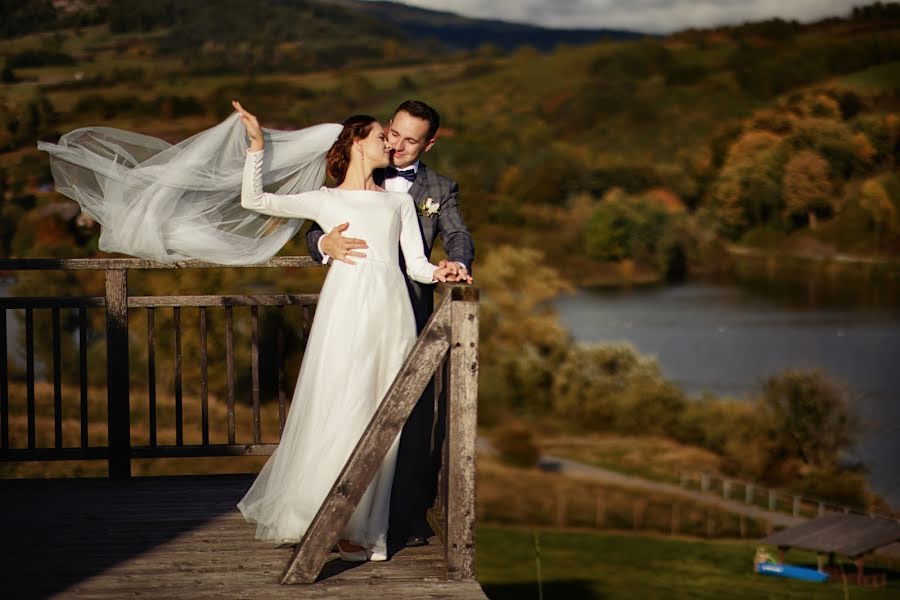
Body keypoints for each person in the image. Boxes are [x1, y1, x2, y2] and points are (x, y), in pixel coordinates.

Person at [231, 100, 454, 562]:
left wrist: (445, 271)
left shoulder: (399, 203)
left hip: (392, 313)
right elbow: (254, 201)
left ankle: (359, 523)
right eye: (381, 136)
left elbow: (416, 265)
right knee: (340, 402)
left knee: (380, 414)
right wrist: (256, 146)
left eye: (394, 139)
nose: (389, 143)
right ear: (357, 143)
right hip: (346, 308)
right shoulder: (325, 199)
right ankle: (320, 513)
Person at [306, 100, 475, 549]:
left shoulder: (440, 187)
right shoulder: (368, 165)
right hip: (356, 314)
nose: (397, 146)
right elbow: (314, 225)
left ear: (430, 143)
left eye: (410, 139)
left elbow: (457, 233)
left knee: (410, 418)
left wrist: (456, 263)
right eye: (394, 133)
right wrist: (325, 241)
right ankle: (334, 514)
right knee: (346, 403)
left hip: (408, 315)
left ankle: (400, 518)